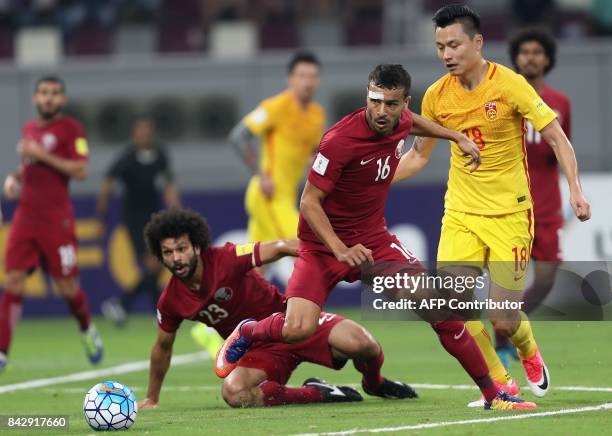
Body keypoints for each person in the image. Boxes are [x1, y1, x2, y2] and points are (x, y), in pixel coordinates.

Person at [219, 64, 537, 411]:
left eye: (391, 103)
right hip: (323, 248)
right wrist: (339, 249)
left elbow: (414, 123)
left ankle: (494, 395)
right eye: (375, 101)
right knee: (298, 328)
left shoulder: (399, 119)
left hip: (373, 241)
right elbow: (308, 203)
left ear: (404, 103)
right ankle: (250, 331)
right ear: (366, 96)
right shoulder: (338, 140)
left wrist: (455, 136)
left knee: (437, 307)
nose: (382, 111)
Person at [392, 4, 590, 405]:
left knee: (503, 317)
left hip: (510, 214)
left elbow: (556, 137)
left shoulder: (510, 84)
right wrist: (373, 181)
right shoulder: (436, 96)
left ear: (477, 42)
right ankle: (499, 382)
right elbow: (417, 156)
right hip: (461, 215)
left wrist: (575, 190)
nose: (446, 54)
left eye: (454, 44)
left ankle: (527, 347)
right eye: (439, 46)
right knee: (454, 309)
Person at [137, 208, 417, 409]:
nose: (176, 258)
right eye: (168, 252)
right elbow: (162, 347)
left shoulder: (226, 258)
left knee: (364, 345)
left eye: (181, 249)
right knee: (234, 393)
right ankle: (318, 394)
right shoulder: (171, 300)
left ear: (196, 247)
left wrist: (335, 252)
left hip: (293, 320)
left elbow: (281, 246)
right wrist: (152, 397)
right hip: (259, 349)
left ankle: (374, 382)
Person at [191, 50, 325, 350]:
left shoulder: (316, 115)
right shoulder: (275, 107)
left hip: (286, 197)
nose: (308, 82)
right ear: (291, 78)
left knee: (253, 271)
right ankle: (303, 321)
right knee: (307, 246)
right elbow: (238, 136)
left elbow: (315, 153)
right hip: (267, 195)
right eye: (302, 76)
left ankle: (212, 330)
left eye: (313, 76)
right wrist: (260, 172)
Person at [0, 76, 104, 372]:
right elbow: (29, 164)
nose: (49, 98)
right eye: (44, 93)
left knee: (67, 288)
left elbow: (81, 170)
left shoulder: (71, 129)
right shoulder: (30, 128)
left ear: (62, 100)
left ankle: (86, 329)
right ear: (35, 98)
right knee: (13, 281)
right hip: (25, 217)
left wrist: (40, 154)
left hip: (56, 219)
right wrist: (15, 177)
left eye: (55, 93)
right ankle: (2, 351)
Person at [494, 28, 572, 368]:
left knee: (546, 278)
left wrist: (575, 191)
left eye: (537, 52)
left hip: (548, 204)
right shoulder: (503, 97)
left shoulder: (561, 103)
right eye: (524, 51)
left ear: (548, 58)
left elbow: (561, 147)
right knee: (505, 277)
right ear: (516, 57)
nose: (530, 57)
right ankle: (504, 341)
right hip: (509, 202)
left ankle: (508, 329)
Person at [96, 116, 181, 327]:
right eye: (140, 130)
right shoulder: (127, 158)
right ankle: (151, 311)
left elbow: (168, 185)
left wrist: (177, 211)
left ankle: (125, 306)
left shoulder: (160, 155)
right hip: (134, 219)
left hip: (155, 217)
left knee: (159, 265)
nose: (144, 134)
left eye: (148, 130)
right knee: (155, 263)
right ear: (134, 134)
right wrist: (101, 216)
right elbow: (108, 184)